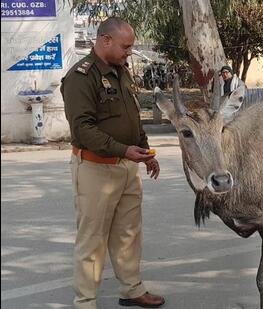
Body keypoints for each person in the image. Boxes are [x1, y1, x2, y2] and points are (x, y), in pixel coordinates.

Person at [61, 17, 165, 309]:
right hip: (95, 168)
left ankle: (132, 290)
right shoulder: (81, 77)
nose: (130, 52)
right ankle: (86, 301)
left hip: (127, 166)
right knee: (92, 238)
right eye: (126, 46)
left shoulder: (122, 72)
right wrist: (123, 150)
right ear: (105, 40)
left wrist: (145, 152)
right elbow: (83, 129)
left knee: (129, 233)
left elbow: (132, 116)